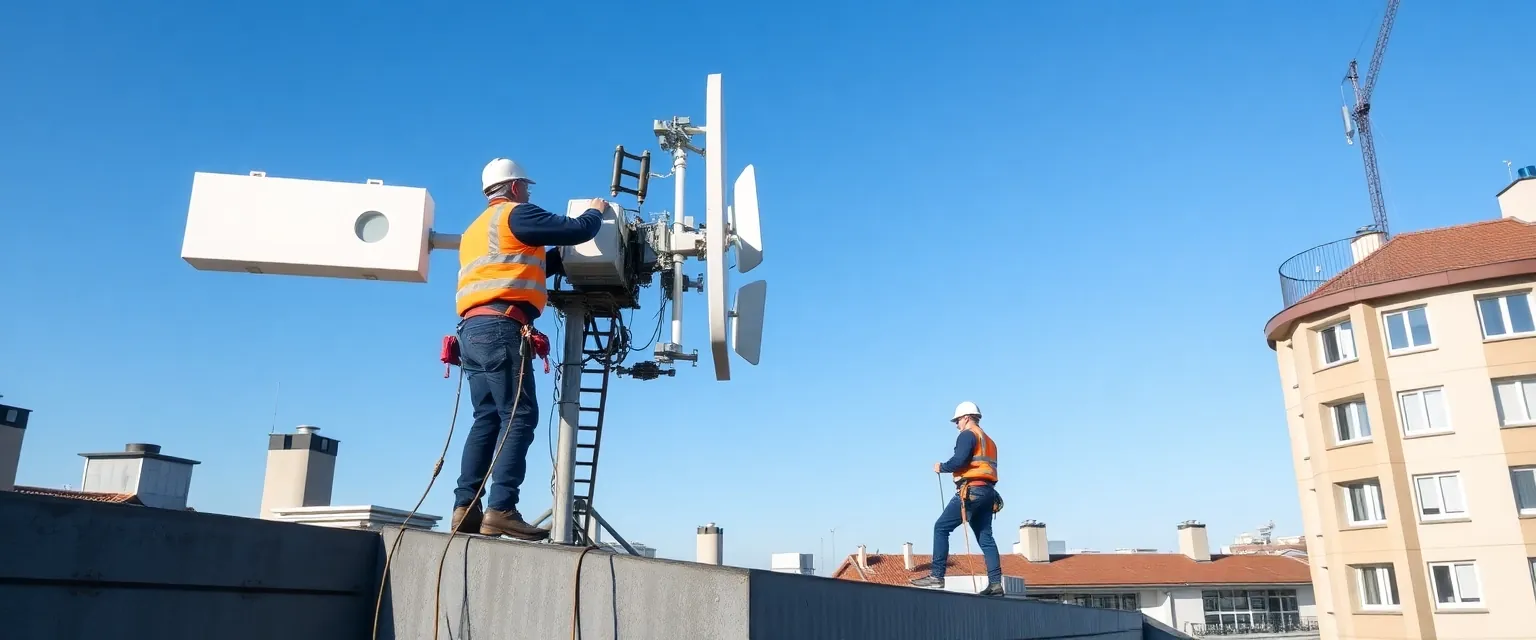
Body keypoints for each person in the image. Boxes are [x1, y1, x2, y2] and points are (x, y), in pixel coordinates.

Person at [449, 157, 606, 539]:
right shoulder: (517, 215)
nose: (530, 193)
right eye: (527, 188)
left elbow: (521, 265)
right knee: (519, 416)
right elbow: (577, 229)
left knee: (487, 418)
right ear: (515, 187)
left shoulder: (475, 230)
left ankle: (465, 508)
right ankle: (501, 508)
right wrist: (595, 213)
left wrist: (561, 259)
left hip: (472, 330)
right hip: (503, 327)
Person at [909, 401, 1003, 596]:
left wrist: (941, 467)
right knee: (986, 538)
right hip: (988, 493)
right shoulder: (989, 441)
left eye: (958, 420)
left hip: (971, 491)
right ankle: (995, 584)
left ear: (967, 417)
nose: (956, 424)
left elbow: (959, 460)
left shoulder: (967, 435)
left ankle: (936, 576)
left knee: (941, 527)